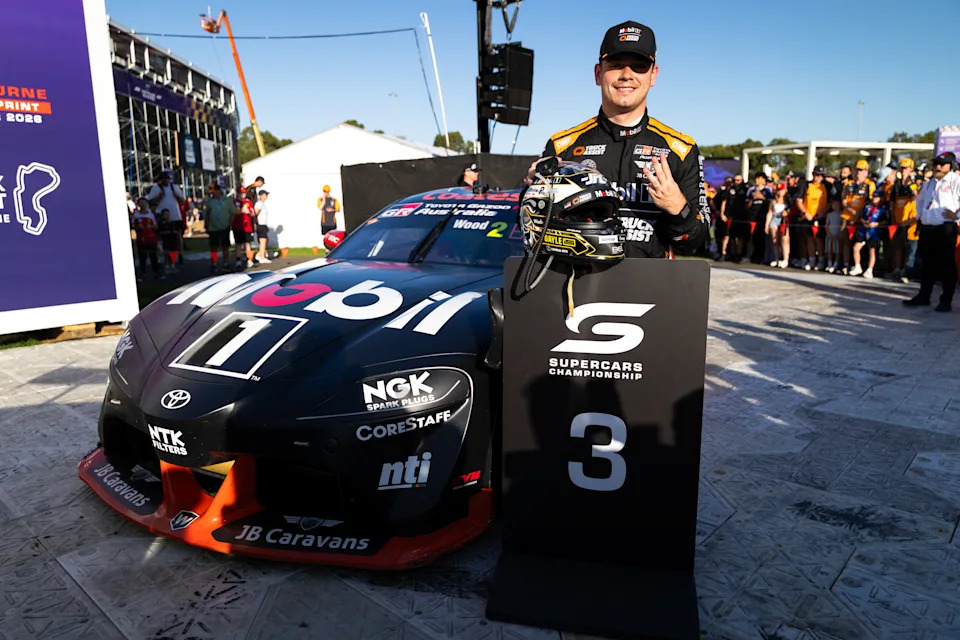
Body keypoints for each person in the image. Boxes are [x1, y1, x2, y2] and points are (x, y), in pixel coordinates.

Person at [530, 20, 708, 259]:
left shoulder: (681, 150)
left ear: (653, 75)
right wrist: (532, 196)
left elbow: (695, 242)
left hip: (652, 289)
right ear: (598, 73)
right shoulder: (562, 146)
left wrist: (679, 209)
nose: (627, 75)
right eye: (615, 65)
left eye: (639, 66)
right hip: (578, 288)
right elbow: (535, 233)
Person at [904, 152, 960, 311]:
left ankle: (946, 300)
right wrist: (921, 215)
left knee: (947, 265)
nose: (938, 167)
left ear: (951, 166)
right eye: (936, 163)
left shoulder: (956, 181)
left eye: (942, 164)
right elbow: (920, 200)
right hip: (928, 228)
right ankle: (924, 295)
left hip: (945, 228)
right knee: (926, 263)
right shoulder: (929, 183)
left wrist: (957, 215)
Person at [840, 159, 875, 274]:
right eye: (857, 170)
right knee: (845, 241)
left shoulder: (870, 185)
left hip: (862, 217)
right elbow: (844, 201)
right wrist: (852, 211)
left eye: (861, 170)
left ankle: (860, 265)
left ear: (866, 172)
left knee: (861, 243)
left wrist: (859, 214)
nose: (858, 172)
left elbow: (870, 201)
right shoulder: (848, 184)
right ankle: (845, 264)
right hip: (847, 215)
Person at [145, 172, 185, 271]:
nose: (165, 181)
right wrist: (158, 196)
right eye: (163, 179)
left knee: (176, 238)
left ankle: (178, 256)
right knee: (163, 239)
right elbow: (150, 201)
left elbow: (183, 201)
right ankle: (165, 260)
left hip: (175, 215)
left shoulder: (174, 187)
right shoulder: (156, 188)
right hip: (161, 215)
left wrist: (177, 196)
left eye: (167, 179)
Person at [795, 165, 830, 270]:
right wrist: (805, 213)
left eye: (821, 176)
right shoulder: (805, 185)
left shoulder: (826, 186)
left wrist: (823, 212)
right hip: (808, 217)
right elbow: (798, 201)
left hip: (821, 217)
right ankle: (811, 259)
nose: (819, 178)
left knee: (819, 240)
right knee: (809, 239)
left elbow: (830, 202)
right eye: (817, 175)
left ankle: (820, 259)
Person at [849, 191, 887, 278]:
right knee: (856, 247)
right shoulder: (867, 207)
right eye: (873, 196)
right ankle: (857, 266)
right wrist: (864, 222)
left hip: (874, 232)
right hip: (864, 230)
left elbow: (885, 220)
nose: (874, 198)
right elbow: (861, 216)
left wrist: (876, 224)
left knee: (872, 250)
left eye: (877, 197)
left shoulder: (883, 209)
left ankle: (870, 269)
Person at [204, 184, 236, 274]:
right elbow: (207, 214)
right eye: (211, 193)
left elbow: (233, 212)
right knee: (214, 247)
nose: (212, 195)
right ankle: (214, 264)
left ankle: (225, 264)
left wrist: (230, 224)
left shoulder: (227, 200)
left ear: (219, 191)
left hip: (224, 226)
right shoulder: (210, 202)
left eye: (214, 192)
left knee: (225, 246)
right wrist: (206, 225)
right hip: (213, 228)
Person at [744, 172, 773, 264]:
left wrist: (762, 197)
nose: (757, 180)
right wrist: (752, 199)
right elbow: (746, 205)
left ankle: (759, 257)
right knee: (750, 237)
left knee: (761, 238)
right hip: (752, 217)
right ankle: (748, 256)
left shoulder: (768, 190)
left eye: (759, 178)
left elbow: (771, 203)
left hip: (762, 217)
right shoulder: (751, 190)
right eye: (756, 178)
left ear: (764, 180)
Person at [132, 198, 161, 282]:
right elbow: (133, 226)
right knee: (142, 257)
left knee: (153, 256)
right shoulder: (136, 215)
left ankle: (156, 273)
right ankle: (143, 274)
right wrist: (138, 227)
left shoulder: (150, 215)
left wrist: (150, 226)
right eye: (141, 203)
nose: (143, 204)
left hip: (151, 238)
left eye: (144, 202)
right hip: (141, 239)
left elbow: (156, 226)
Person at [722, 174, 748, 261]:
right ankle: (727, 253)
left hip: (741, 216)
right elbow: (724, 201)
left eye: (738, 180)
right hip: (730, 215)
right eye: (735, 180)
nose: (736, 182)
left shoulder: (745, 189)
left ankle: (739, 254)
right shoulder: (730, 189)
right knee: (729, 236)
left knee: (740, 237)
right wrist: (722, 213)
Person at [766, 183, 789, 268]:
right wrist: (767, 224)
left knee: (784, 240)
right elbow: (770, 213)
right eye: (778, 191)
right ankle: (776, 258)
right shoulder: (773, 201)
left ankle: (785, 259)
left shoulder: (787, 200)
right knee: (775, 240)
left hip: (783, 221)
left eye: (781, 190)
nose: (780, 192)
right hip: (774, 220)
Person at [232, 187, 255, 269]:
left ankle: (249, 259)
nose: (243, 194)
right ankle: (238, 260)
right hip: (238, 226)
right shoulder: (235, 202)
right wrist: (241, 211)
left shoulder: (248, 202)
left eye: (244, 193)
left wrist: (249, 212)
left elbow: (253, 213)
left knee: (247, 243)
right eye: (241, 193)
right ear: (238, 193)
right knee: (238, 244)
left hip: (247, 227)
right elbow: (233, 212)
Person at [824, 198, 844, 273]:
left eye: (837, 205)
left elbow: (842, 225)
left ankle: (835, 265)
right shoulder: (829, 214)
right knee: (829, 251)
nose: (835, 206)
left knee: (837, 251)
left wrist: (840, 233)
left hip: (838, 235)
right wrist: (828, 233)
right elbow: (827, 224)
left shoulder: (842, 214)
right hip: (830, 235)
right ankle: (829, 264)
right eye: (834, 205)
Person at [253, 189, 272, 263]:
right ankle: (262, 257)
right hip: (260, 224)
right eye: (266, 194)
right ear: (262, 195)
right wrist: (255, 224)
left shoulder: (262, 204)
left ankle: (259, 254)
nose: (267, 196)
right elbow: (255, 214)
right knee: (263, 241)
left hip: (263, 224)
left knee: (265, 241)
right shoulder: (259, 204)